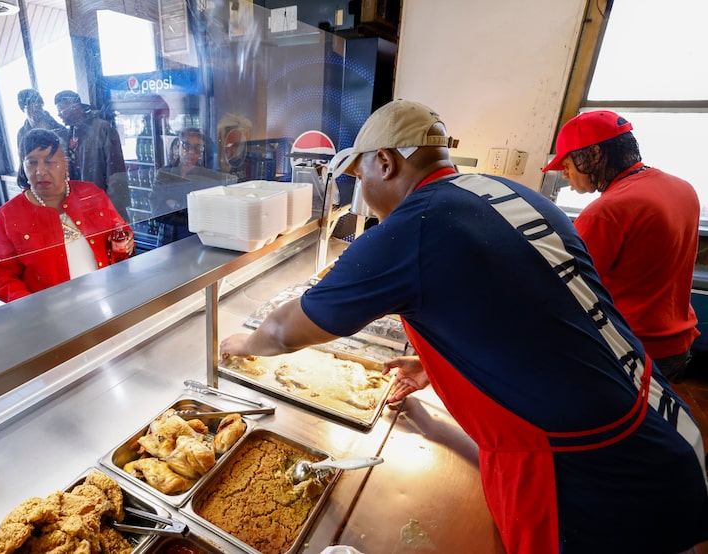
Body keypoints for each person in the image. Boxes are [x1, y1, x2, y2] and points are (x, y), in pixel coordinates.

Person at [219, 100, 708, 554]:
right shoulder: (508, 194)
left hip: (587, 471)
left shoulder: (413, 227)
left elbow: (286, 331)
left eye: (358, 172)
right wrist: (438, 362)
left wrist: (241, 343)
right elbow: (536, 311)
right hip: (655, 418)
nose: (359, 189)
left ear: (385, 162)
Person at [543, 110, 700, 383]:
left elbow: (567, 290)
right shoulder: (682, 188)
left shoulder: (604, 212)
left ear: (593, 154)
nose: (565, 174)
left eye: (566, 163)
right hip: (677, 345)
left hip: (631, 350)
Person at [0, 129, 133, 303]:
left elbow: (120, 230)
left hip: (108, 298)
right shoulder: (7, 216)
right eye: (32, 163)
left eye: (50, 162)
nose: (40, 171)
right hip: (50, 314)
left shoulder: (91, 194)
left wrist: (125, 240)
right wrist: (28, 305)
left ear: (65, 165)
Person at [149, 128, 235, 245]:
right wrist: (188, 212)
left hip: (198, 240)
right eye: (186, 146)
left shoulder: (208, 177)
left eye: (197, 148)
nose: (191, 152)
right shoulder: (164, 174)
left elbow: (208, 215)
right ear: (177, 147)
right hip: (169, 241)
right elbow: (158, 212)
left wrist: (175, 205)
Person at [53, 90, 130, 217]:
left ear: (74, 107)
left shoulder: (102, 128)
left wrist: (112, 209)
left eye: (61, 110)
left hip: (104, 207)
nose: (59, 114)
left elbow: (116, 172)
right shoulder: (70, 133)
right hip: (81, 206)